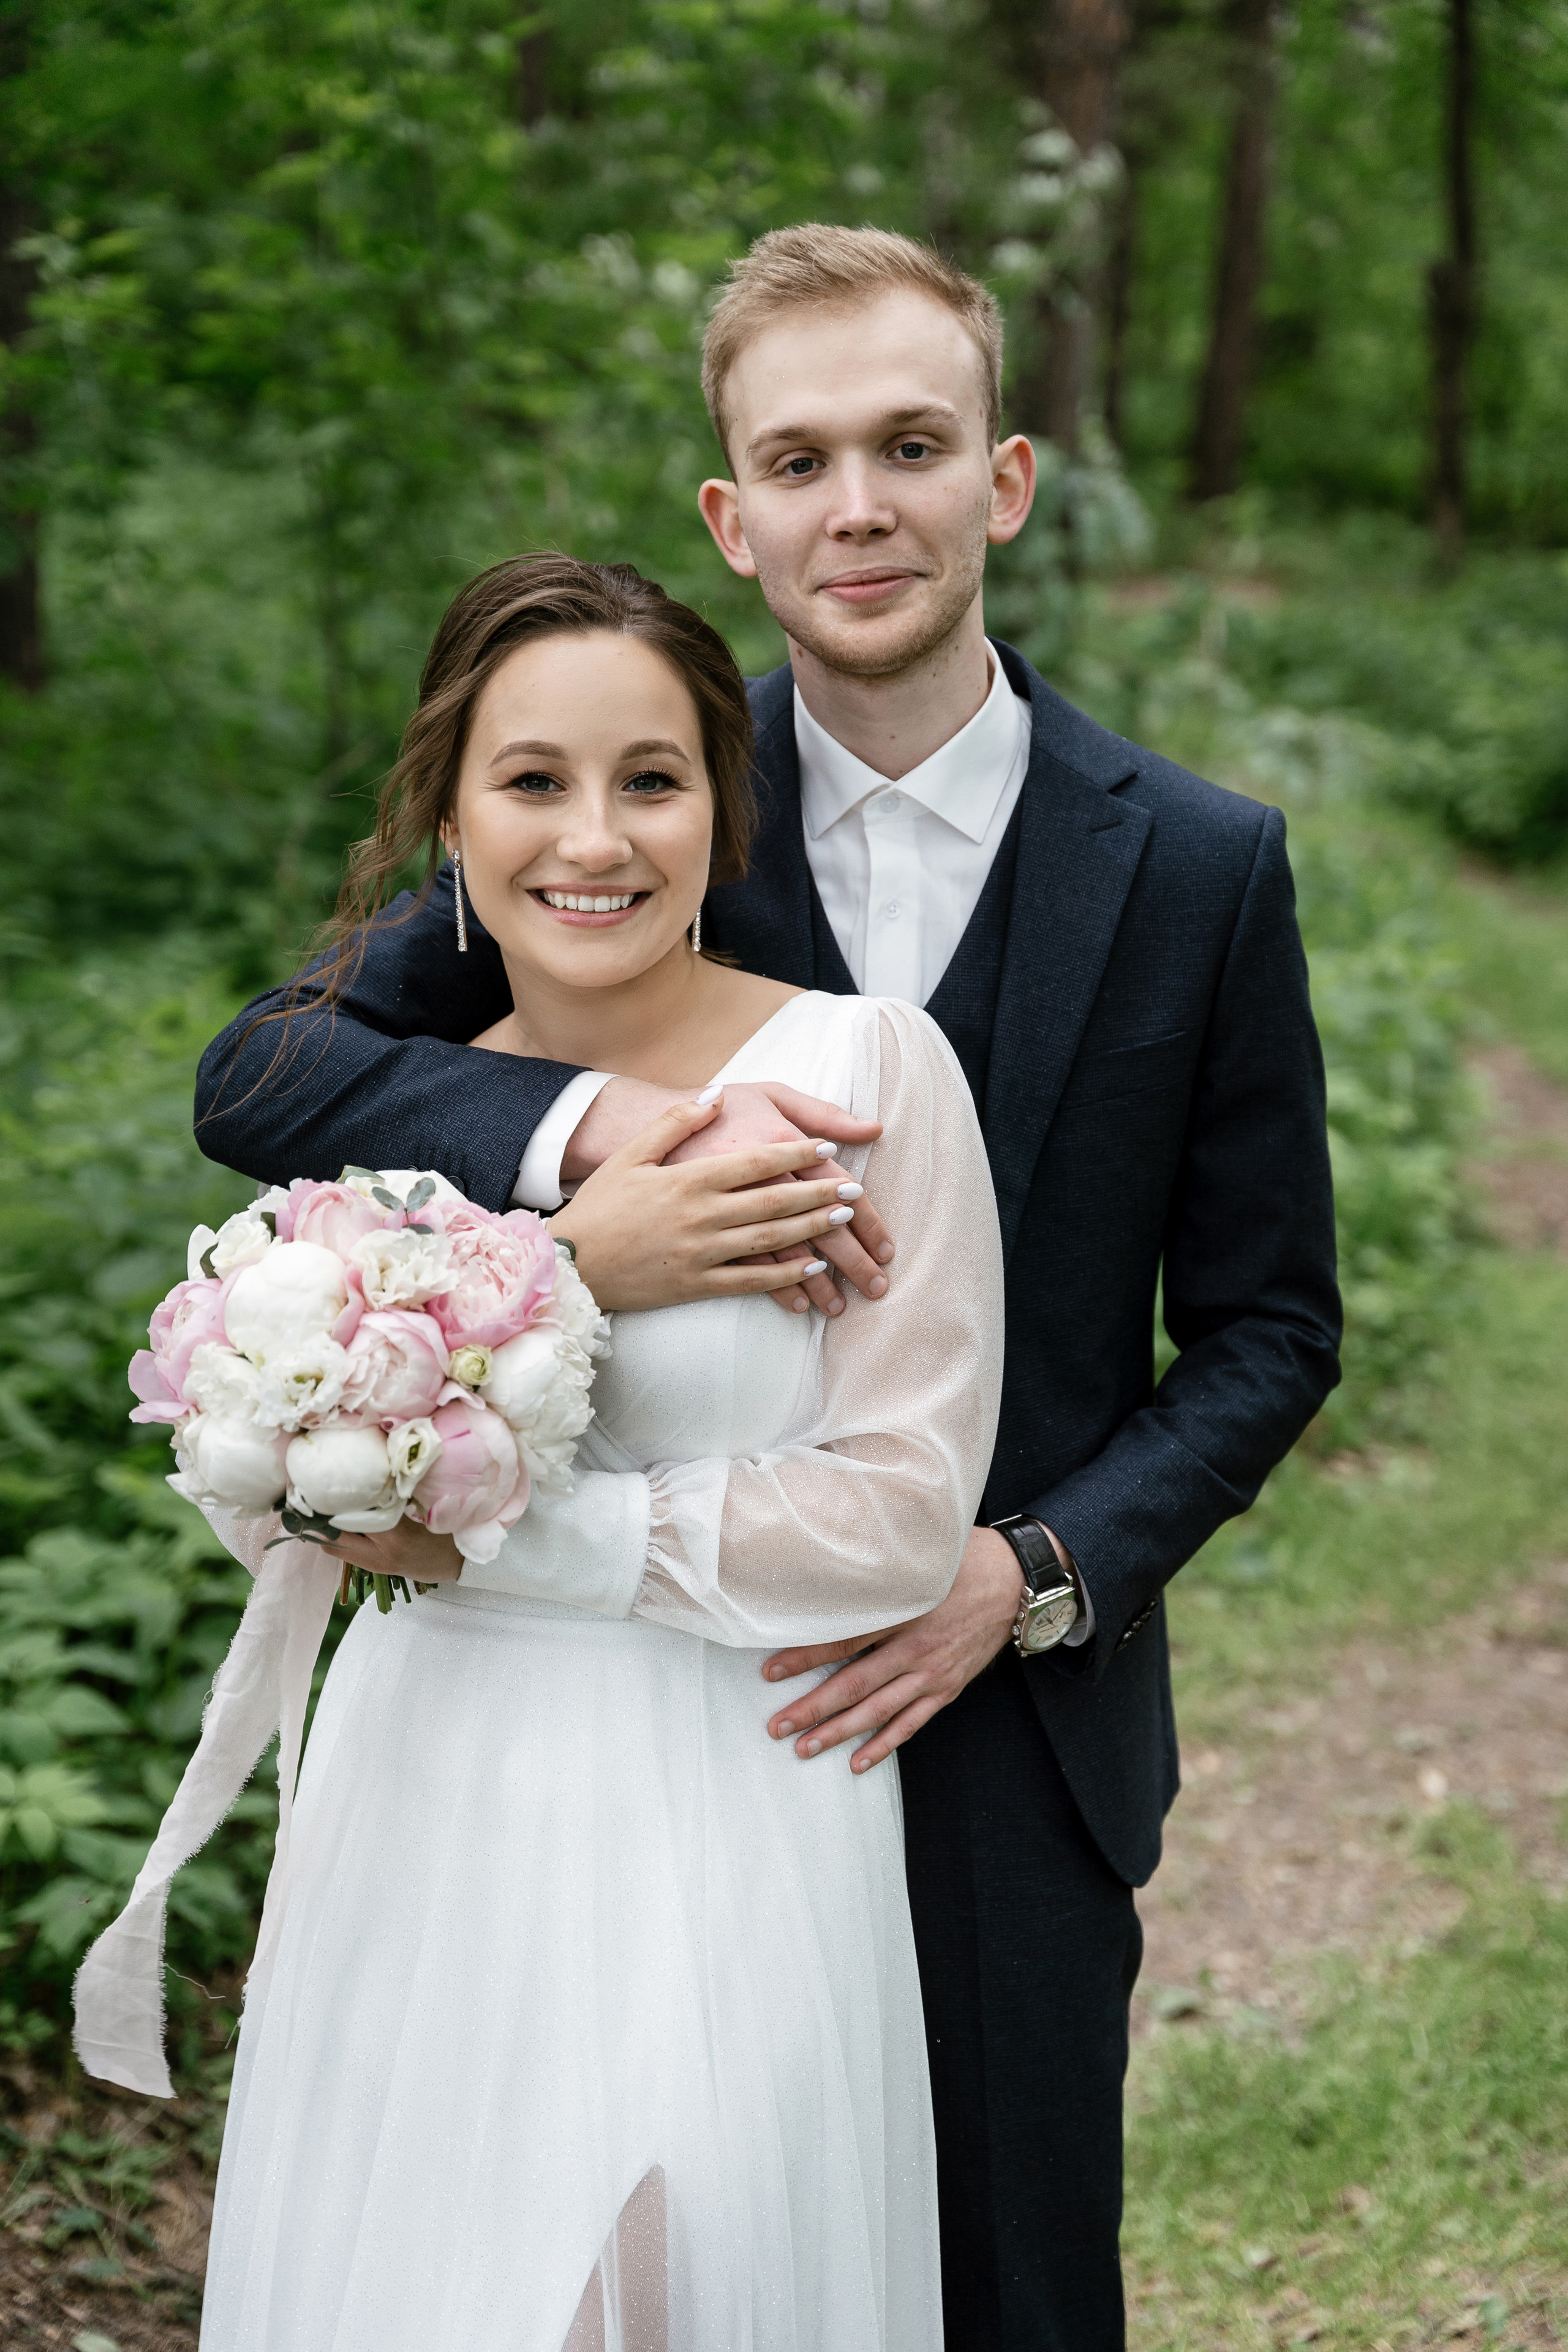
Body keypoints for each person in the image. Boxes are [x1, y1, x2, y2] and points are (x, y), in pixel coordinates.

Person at [197, 226, 1343, 2346]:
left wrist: (1037, 1568)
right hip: (650, 1728)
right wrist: (573, 1167)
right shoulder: (632, 798)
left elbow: (1273, 1324)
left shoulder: (1198, 863)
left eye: (911, 445)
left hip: (1005, 1708)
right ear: (732, 515)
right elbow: (266, 1065)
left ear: (1003, 476)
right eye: (799, 460)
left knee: (1002, 2283)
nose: (860, 506)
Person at [189, 554, 1004, 2350]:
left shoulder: (860, 1075)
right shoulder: (396, 1099)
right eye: (535, 781)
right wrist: (575, 1265)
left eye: (653, 780)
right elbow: (301, 1420)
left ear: (728, 809)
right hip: (427, 1801)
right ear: (453, 821)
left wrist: (501, 1539)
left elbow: (893, 1517)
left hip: (722, 1798)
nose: (598, 836)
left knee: (649, 2292)